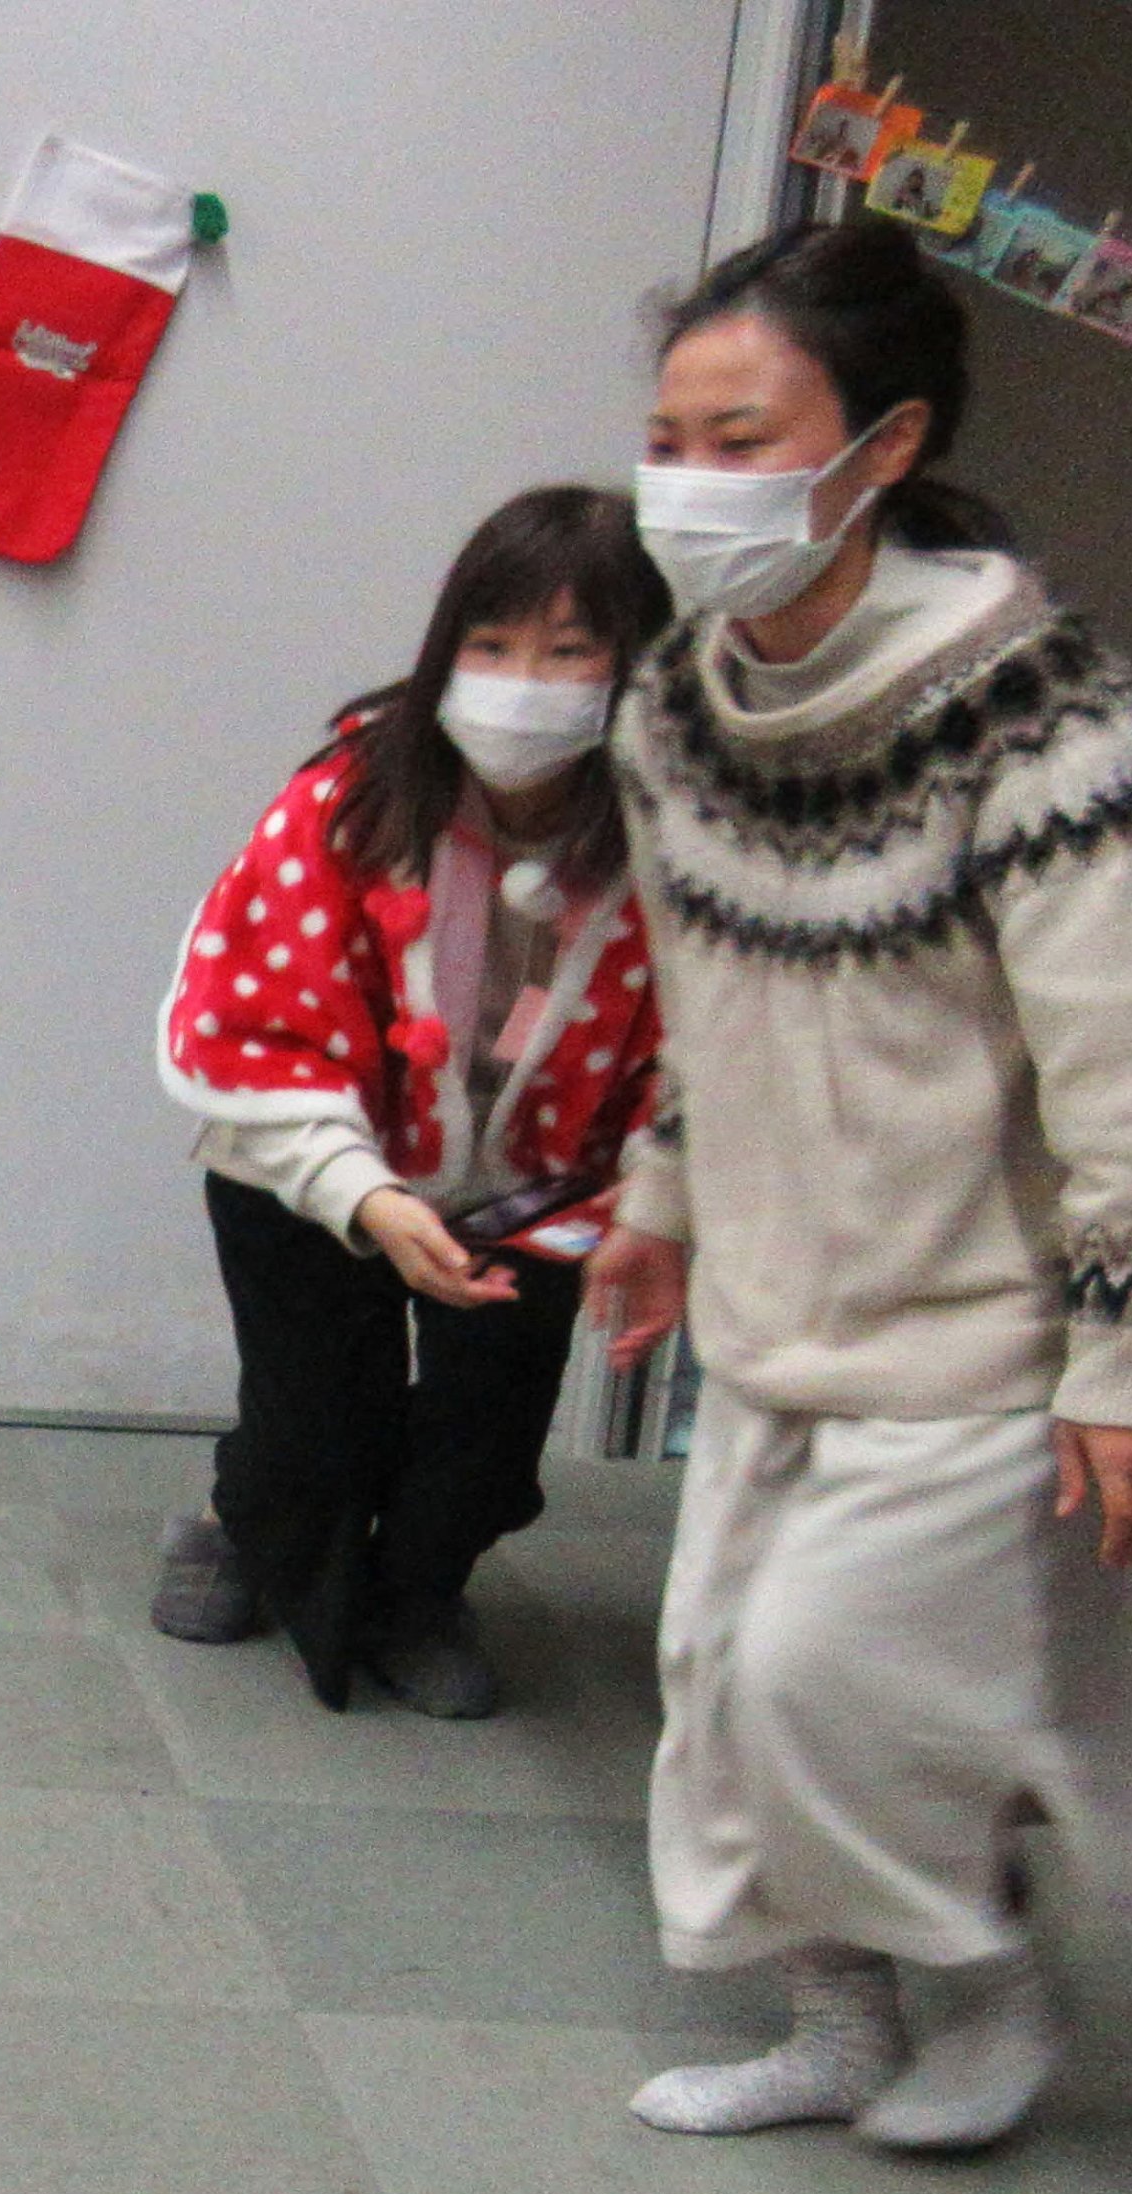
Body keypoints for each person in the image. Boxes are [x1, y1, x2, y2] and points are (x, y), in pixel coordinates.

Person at [593, 218, 1132, 2153]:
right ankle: (838, 2024)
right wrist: (661, 1199)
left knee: (831, 1680)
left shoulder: (1023, 699)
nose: (692, 485)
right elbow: (702, 1005)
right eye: (671, 439)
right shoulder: (678, 704)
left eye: (742, 436)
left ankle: (988, 1982)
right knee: (719, 1682)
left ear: (881, 449)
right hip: (779, 1314)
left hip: (979, 1326)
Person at [152, 489, 675, 1715]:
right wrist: (366, 1196)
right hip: (311, 1168)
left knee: (485, 1437)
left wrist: (658, 1198)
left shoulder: (677, 829)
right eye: (490, 645)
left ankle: (424, 1588)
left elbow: (702, 1045)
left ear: (630, 666)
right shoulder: (348, 800)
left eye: (567, 649)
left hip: (539, 1186)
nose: (522, 680)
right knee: (308, 1429)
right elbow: (250, 1020)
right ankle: (244, 1525)